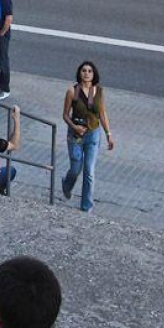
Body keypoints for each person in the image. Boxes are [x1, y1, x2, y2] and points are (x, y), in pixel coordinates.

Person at [61, 60, 114, 214]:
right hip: (76, 135)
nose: (86, 73)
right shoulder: (73, 91)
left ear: (94, 74)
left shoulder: (98, 91)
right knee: (75, 169)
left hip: (93, 134)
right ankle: (67, 185)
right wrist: (74, 127)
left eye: (90, 71)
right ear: (79, 73)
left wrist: (108, 134)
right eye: (84, 70)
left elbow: (102, 113)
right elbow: (65, 115)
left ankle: (86, 206)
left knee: (89, 171)